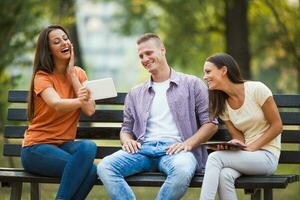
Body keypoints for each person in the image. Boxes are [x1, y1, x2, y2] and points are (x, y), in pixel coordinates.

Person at [97, 33, 218, 200]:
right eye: (141, 56)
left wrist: (187, 144)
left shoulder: (192, 84)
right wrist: (127, 140)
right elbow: (126, 129)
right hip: (142, 150)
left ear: (162, 50)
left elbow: (211, 123)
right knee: (105, 167)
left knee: (182, 171)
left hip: (176, 150)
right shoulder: (135, 93)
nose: (145, 58)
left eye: (149, 53)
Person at [21, 25, 97, 200]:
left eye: (65, 38)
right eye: (57, 42)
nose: (64, 43)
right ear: (48, 51)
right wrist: (80, 100)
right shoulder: (42, 76)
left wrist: (72, 75)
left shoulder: (79, 74)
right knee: (89, 170)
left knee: (88, 147)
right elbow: (57, 104)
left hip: (62, 146)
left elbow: (89, 109)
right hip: (36, 149)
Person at [200, 53, 282, 200]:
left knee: (214, 159)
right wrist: (235, 145)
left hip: (267, 156)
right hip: (247, 156)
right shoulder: (223, 104)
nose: (205, 77)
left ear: (224, 70)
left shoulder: (257, 89)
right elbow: (238, 137)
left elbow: (277, 126)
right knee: (225, 175)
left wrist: (251, 147)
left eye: (208, 71)